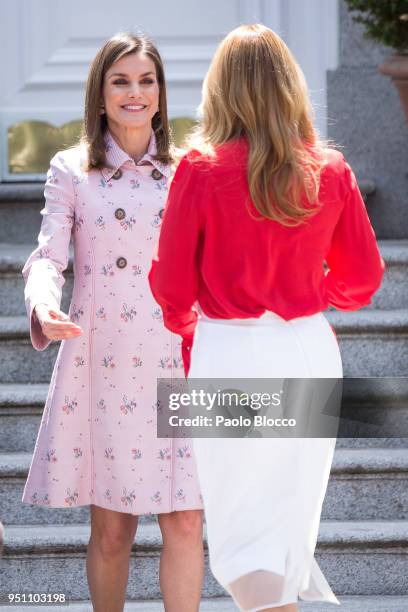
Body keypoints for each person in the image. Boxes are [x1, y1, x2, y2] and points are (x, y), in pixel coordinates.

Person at [149, 24, 385, 612]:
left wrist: (189, 329)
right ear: (291, 86)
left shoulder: (199, 170)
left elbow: (171, 288)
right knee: (283, 530)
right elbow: (363, 279)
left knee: (241, 531)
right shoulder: (329, 169)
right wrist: (308, 295)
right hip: (307, 350)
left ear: (220, 89)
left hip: (230, 353)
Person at [21, 32, 204, 612]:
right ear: (99, 94)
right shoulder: (71, 169)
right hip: (107, 358)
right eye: (120, 80)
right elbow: (48, 256)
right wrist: (44, 305)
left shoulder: (189, 168)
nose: (135, 92)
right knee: (114, 529)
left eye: (146, 80)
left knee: (183, 520)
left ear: (161, 93)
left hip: (181, 357)